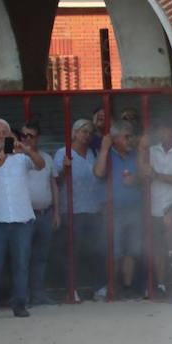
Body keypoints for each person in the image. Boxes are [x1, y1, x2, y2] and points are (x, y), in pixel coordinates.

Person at [0, 119, 44, 319]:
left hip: (21, 220)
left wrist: (27, 150)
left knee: (21, 264)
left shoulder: (21, 157)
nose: (1, 136)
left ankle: (19, 304)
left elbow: (40, 165)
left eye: (4, 132)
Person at [52, 118, 105, 301]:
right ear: (74, 133)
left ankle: (98, 288)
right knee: (73, 252)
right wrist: (65, 170)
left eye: (89, 132)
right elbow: (55, 181)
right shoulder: (63, 153)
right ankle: (71, 289)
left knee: (95, 250)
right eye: (83, 131)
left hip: (93, 209)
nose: (87, 135)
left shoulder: (93, 152)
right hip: (72, 211)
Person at [92, 120, 143, 299]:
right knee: (114, 251)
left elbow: (145, 176)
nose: (130, 140)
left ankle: (127, 288)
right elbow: (98, 172)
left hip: (134, 209)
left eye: (131, 136)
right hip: (113, 211)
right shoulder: (105, 155)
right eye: (126, 137)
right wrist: (105, 148)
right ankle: (112, 287)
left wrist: (135, 180)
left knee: (132, 250)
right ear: (114, 139)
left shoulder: (136, 155)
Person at [142, 117, 172, 299]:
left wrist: (157, 175)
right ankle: (160, 285)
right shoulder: (152, 151)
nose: (162, 133)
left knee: (170, 220)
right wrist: (141, 148)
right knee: (157, 249)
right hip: (156, 204)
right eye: (159, 130)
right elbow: (143, 172)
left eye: (166, 129)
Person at [20, 121, 59, 306]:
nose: (27, 139)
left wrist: (57, 212)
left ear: (38, 138)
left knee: (41, 257)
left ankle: (38, 294)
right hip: (24, 216)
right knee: (23, 257)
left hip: (44, 214)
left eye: (31, 135)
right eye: (24, 135)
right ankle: (23, 296)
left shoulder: (47, 158)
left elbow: (54, 186)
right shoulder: (16, 159)